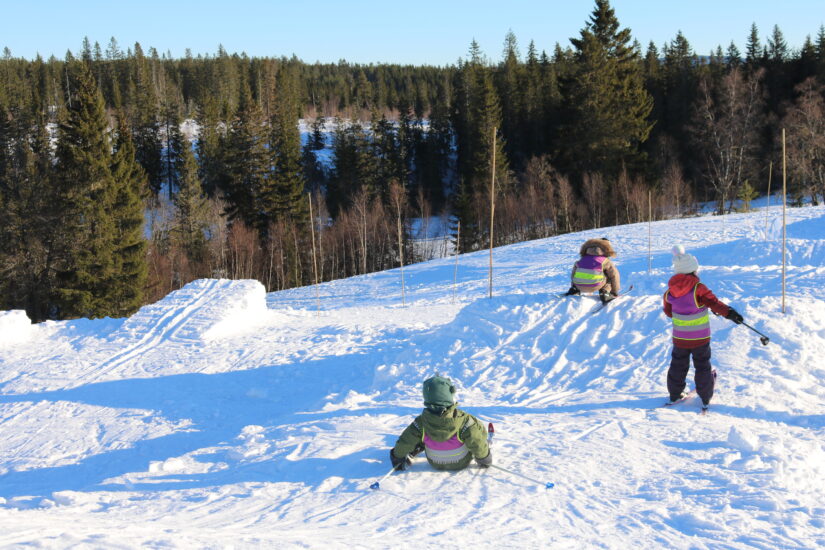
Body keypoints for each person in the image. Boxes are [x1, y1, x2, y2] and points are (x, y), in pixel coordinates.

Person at [664, 245, 744, 410]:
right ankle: (705, 396)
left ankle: (675, 393)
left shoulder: (669, 292)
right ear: (693, 270)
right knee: (702, 364)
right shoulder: (698, 288)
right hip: (700, 337)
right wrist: (730, 313)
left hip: (680, 338)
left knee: (678, 364)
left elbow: (669, 312)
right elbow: (714, 303)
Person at [389, 375, 492, 472]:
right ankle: (485, 443)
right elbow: (476, 442)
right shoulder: (464, 421)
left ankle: (420, 445)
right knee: (474, 428)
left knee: (420, 434)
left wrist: (397, 457)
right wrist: (484, 459)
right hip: (462, 462)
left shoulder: (421, 422)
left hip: (435, 463)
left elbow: (405, 441)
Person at [564, 237, 621, 303]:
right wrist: (614, 291)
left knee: (580, 271)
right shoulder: (605, 261)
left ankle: (574, 289)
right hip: (595, 285)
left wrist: (574, 285)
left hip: (578, 285)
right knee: (608, 275)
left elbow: (573, 274)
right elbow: (615, 276)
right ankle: (605, 292)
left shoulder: (583, 259)